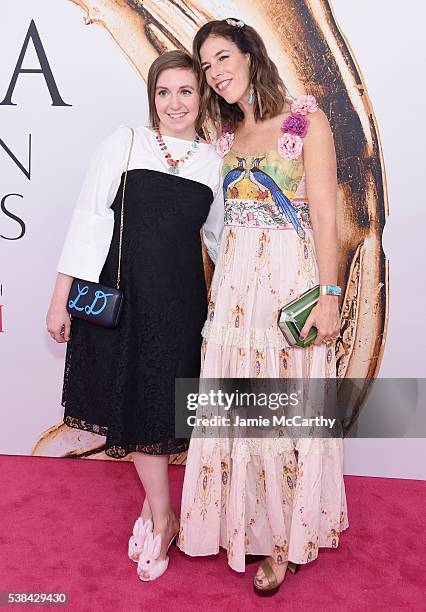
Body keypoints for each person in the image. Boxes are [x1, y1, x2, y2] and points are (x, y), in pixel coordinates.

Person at [178, 19, 349, 596]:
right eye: (206, 66)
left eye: (223, 57)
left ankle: (283, 538)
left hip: (288, 286)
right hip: (235, 292)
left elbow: (327, 218)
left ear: (252, 55)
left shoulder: (305, 120)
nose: (215, 72)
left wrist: (330, 297)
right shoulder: (223, 137)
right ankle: (243, 521)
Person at [46, 50, 224, 582]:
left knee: (160, 410)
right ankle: (165, 514)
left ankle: (155, 509)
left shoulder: (215, 161)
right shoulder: (125, 142)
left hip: (179, 304)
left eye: (186, 92)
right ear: (152, 97)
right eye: (164, 92)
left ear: (203, 97)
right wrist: (61, 297)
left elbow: (220, 240)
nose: (175, 103)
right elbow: (88, 220)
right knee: (134, 405)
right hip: (123, 300)